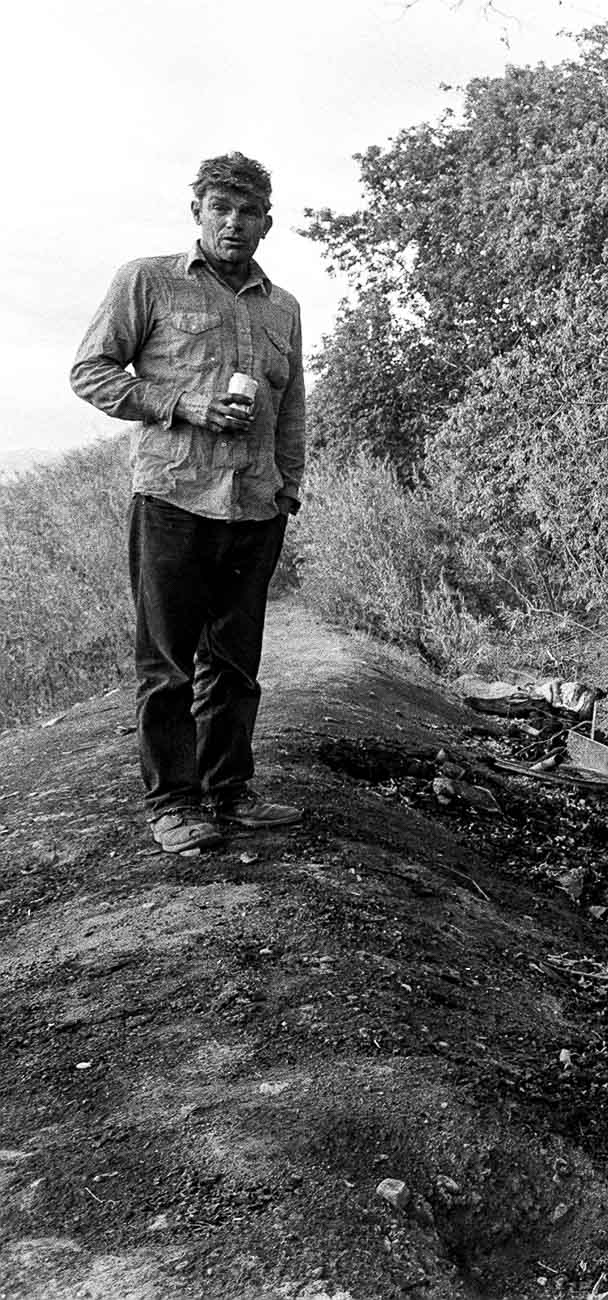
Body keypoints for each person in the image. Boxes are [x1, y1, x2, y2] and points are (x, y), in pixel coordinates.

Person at [71, 152, 307, 854]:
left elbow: (291, 404)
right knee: (168, 664)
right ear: (197, 213)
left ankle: (230, 794)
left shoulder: (283, 306)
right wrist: (183, 404)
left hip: (255, 508)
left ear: (268, 221)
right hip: (173, 498)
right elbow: (91, 372)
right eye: (220, 209)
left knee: (235, 664)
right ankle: (174, 804)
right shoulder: (146, 280)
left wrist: (288, 486)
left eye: (249, 212)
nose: (234, 223)